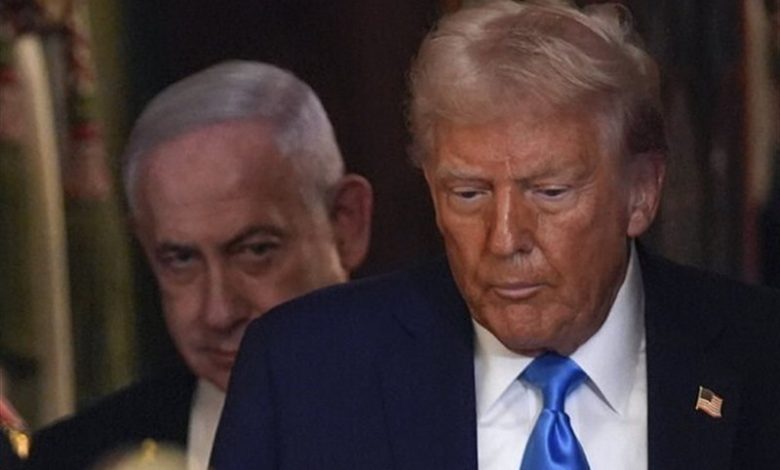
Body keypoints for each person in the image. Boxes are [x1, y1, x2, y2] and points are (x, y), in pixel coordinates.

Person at [211, 1, 780, 469]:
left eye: (549, 192)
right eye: (468, 194)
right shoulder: (304, 371)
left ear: (642, 191)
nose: (504, 239)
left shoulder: (761, 357)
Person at [26, 60, 373, 470]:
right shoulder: (65, 460)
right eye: (181, 259)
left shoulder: (440, 418)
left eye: (256, 251)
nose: (218, 312)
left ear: (346, 225)